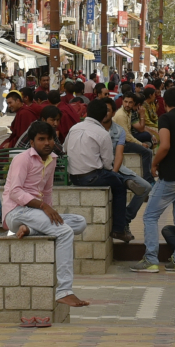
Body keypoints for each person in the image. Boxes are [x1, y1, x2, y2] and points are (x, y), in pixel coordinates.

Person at [2, 120, 90, 308]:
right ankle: (64, 291)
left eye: (49, 139)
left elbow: (48, 190)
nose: (47, 143)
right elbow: (15, 192)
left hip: (34, 214)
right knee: (65, 232)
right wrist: (44, 207)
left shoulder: (53, 159)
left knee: (79, 222)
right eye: (41, 139)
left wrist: (48, 211)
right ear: (32, 143)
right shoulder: (22, 159)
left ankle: (31, 230)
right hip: (16, 212)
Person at [132, 83, 175, 273]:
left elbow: (165, 145)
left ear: (165, 102)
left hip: (170, 177)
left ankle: (151, 259)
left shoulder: (165, 119)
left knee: (150, 216)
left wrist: (154, 164)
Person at [66, 98, 141, 243]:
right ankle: (119, 229)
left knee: (115, 178)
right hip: (92, 177)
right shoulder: (102, 133)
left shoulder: (74, 128)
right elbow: (107, 163)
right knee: (119, 186)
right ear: (103, 116)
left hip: (73, 176)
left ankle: (126, 181)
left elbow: (65, 148)